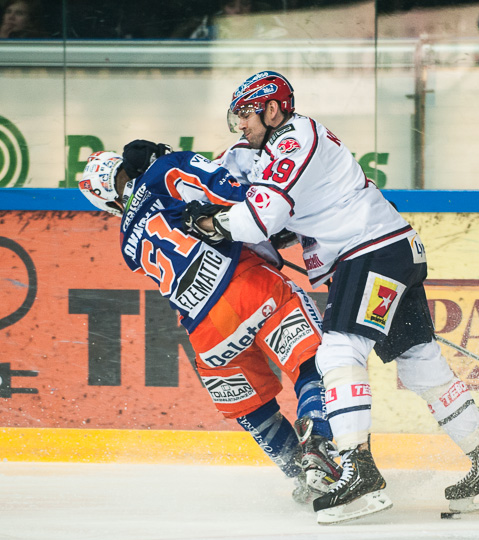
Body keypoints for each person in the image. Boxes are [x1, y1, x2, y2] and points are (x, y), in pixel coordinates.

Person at [182, 71, 479, 525]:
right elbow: (245, 191)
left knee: (338, 350)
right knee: (420, 362)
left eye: (246, 114)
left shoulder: (295, 140)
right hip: (386, 250)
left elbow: (262, 216)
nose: (240, 124)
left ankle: (360, 473)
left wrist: (215, 225)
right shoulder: (270, 147)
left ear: (274, 108)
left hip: (370, 251)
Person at [77, 145, 342, 504]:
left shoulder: (127, 242)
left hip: (207, 334)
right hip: (248, 287)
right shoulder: (166, 169)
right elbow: (233, 194)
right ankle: (320, 449)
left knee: (253, 409)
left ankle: (301, 475)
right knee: (314, 362)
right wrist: (272, 228)